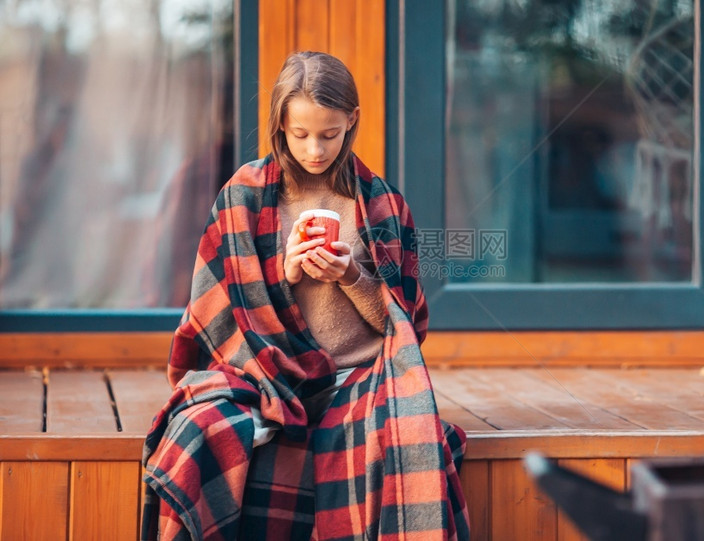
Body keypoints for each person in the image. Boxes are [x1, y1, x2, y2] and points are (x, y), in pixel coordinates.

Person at [141, 51, 469, 540]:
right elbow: (218, 311)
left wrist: (351, 276)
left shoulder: (381, 205)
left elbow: (401, 325)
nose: (314, 149)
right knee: (197, 434)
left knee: (407, 442)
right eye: (300, 135)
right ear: (280, 125)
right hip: (261, 374)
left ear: (351, 121)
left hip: (354, 379)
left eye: (329, 134)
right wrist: (285, 276)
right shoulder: (243, 196)